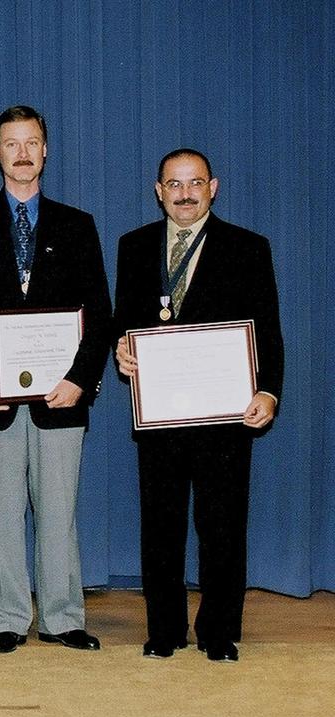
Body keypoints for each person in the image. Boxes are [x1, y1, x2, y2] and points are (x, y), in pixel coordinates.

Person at [0, 106, 112, 655]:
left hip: (62, 398)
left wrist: (82, 381)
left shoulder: (78, 225)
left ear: (45, 151)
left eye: (31, 142)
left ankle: (62, 617)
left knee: (60, 513)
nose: (21, 153)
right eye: (11, 144)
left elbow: (100, 316)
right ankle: (7, 618)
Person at [114, 148, 283, 663]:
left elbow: (269, 331)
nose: (184, 193)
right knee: (160, 527)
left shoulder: (248, 248)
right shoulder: (134, 247)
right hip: (161, 415)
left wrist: (268, 391)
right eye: (173, 184)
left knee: (223, 526)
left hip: (225, 416)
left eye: (194, 183)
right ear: (158, 190)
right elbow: (125, 322)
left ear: (213, 186)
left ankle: (219, 631)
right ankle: (164, 630)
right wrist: (122, 348)